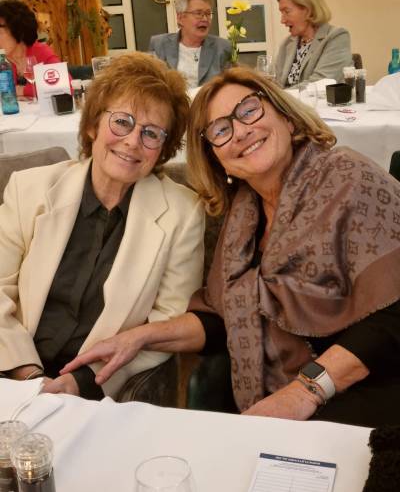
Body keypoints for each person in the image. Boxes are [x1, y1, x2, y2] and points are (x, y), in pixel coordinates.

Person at [61, 66, 400, 428]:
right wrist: (139, 338)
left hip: (375, 384)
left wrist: (306, 391)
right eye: (221, 131)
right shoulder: (243, 216)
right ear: (216, 158)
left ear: (287, 118)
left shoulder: (349, 177)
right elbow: (222, 319)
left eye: (249, 110)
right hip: (280, 401)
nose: (240, 131)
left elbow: (393, 316)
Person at [0, 52, 204, 401]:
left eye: (151, 133)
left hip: (94, 390)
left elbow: (166, 324)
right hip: (12, 372)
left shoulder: (182, 214)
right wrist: (28, 375)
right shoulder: (28, 189)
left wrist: (84, 381)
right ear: (93, 125)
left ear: (163, 150)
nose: (133, 141)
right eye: (122, 122)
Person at [148, 0, 231, 88]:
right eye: (198, 13)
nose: (205, 19)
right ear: (180, 18)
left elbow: (230, 86)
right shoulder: (159, 44)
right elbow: (149, 83)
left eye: (208, 13)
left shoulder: (223, 47)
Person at [275, 0, 352, 88]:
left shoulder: (337, 37)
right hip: (285, 99)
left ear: (308, 10)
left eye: (287, 12)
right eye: (281, 13)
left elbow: (321, 83)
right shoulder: (287, 43)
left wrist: (280, 95)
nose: (282, 20)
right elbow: (277, 83)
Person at [0, 0, 61, 98]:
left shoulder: (41, 52)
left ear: (18, 31)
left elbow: (64, 85)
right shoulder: (3, 61)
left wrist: (23, 90)